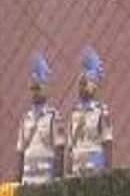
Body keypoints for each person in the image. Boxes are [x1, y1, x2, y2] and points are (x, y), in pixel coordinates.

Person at [16, 52, 66, 185]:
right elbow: (21, 152)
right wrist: (18, 181)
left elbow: (59, 151)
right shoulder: (26, 119)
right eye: (32, 89)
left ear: (45, 89)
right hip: (28, 180)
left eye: (38, 88)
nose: (34, 93)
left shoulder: (54, 118)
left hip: (46, 180)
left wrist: (57, 181)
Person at [67, 48, 113, 176]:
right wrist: (68, 171)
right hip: (77, 168)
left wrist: (108, 172)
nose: (81, 88)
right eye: (80, 84)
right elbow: (70, 146)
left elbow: (107, 143)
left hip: (94, 168)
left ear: (93, 86)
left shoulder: (101, 112)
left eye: (84, 84)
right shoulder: (74, 113)